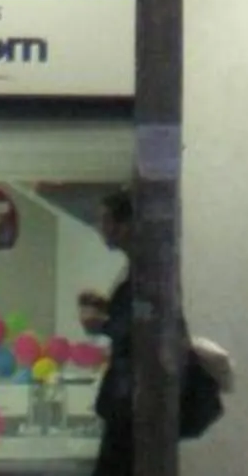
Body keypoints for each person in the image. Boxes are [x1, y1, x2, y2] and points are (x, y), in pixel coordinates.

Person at [86, 190, 136, 476]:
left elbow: (139, 331)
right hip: (124, 397)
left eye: (105, 220)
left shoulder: (146, 272)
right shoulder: (135, 270)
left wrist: (101, 325)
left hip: (129, 400)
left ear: (125, 224)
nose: (101, 228)